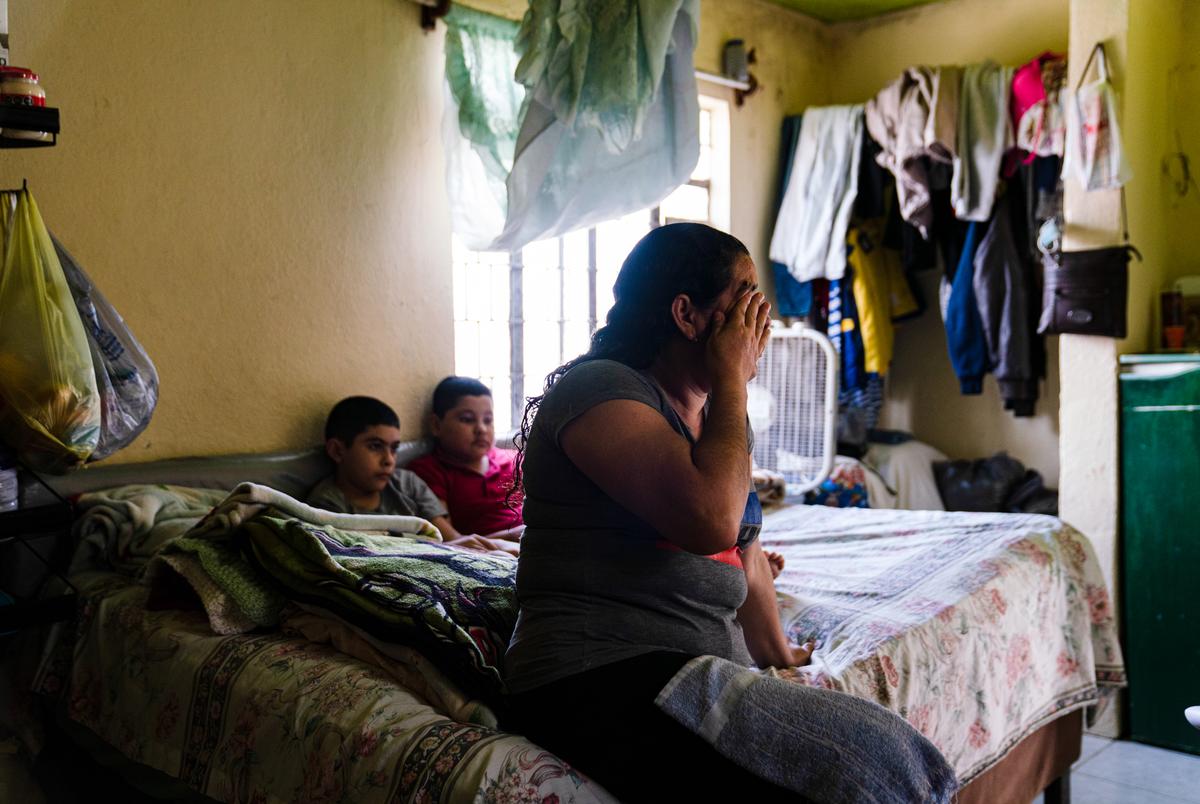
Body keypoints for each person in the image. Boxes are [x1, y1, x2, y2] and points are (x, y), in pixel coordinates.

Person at [503, 223, 813, 801]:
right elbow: (709, 522)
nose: (761, 317)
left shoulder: (720, 418)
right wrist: (732, 379)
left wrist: (777, 655)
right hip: (596, 673)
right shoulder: (599, 389)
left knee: (886, 755)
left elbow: (743, 549)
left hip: (696, 672)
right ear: (686, 314)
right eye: (745, 295)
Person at [306, 396, 514, 555]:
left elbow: (452, 539)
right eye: (375, 446)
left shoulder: (407, 483)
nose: (389, 460)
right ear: (337, 451)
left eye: (394, 448)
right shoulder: (326, 506)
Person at [406, 376, 524, 544]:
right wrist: (513, 536)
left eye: (488, 420)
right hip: (489, 552)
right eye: (467, 419)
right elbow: (449, 542)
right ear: (436, 425)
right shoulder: (428, 472)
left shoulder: (512, 460)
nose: (481, 429)